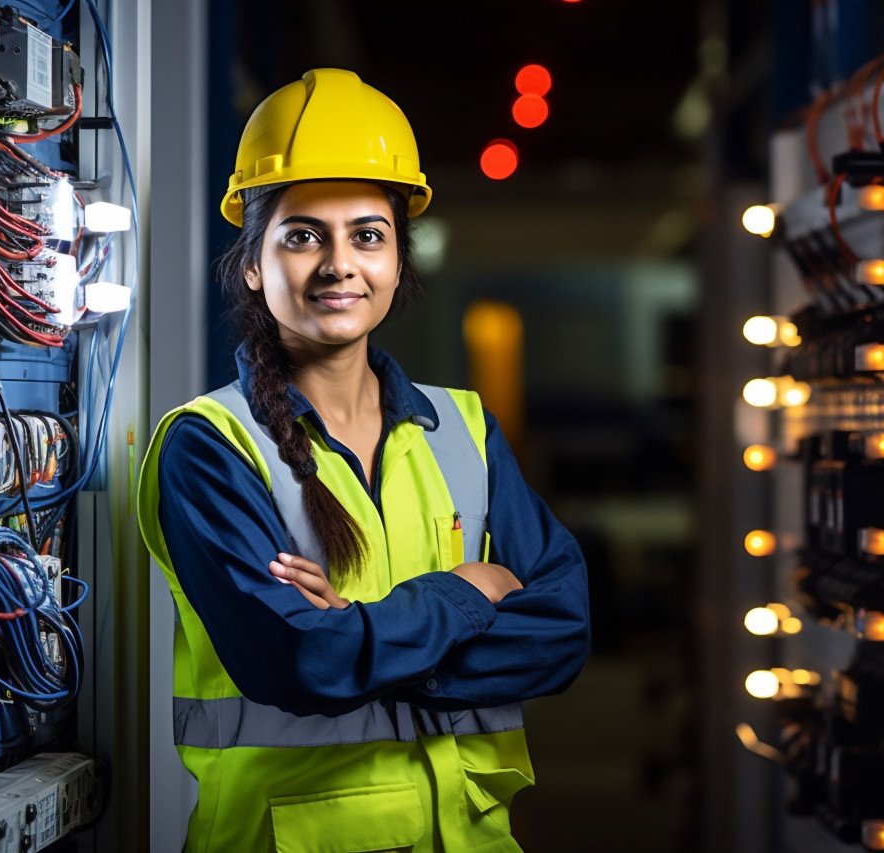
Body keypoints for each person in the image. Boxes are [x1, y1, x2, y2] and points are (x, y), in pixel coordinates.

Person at [136, 68, 591, 852]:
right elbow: (301, 660)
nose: (339, 262)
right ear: (253, 261)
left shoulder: (463, 428)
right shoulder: (209, 447)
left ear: (397, 261)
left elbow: (563, 628)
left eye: (367, 235)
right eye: (303, 234)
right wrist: (464, 592)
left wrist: (363, 639)